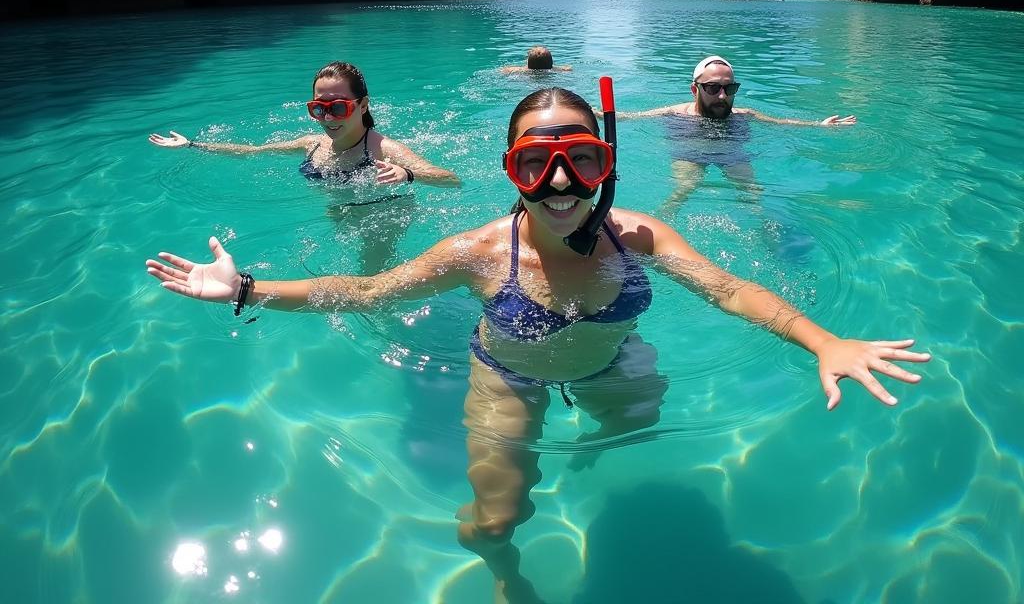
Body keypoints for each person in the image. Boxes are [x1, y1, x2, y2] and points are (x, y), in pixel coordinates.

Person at [145, 84, 928, 604]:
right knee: (496, 515)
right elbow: (366, 292)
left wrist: (823, 340)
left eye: (579, 159)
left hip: (614, 361)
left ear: (604, 166)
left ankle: (592, 445)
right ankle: (500, 570)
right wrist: (247, 289)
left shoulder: (640, 236)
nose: (560, 182)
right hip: (508, 375)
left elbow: (730, 289)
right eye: (536, 162)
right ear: (512, 172)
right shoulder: (478, 252)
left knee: (629, 425)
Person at [149, 60, 460, 188]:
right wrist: (193, 144)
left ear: (363, 105)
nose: (327, 118)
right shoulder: (311, 144)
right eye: (318, 108)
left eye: (338, 107)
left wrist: (407, 174)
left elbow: (450, 178)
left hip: (377, 217)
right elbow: (253, 151)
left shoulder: (382, 149)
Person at [620, 55, 856, 209]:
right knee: (683, 191)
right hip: (690, 150)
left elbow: (781, 122)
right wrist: (597, 114)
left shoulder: (745, 115)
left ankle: (766, 234)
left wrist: (819, 125)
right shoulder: (675, 112)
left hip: (731, 152)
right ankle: (658, 228)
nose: (722, 96)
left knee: (754, 196)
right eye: (713, 88)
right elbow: (632, 117)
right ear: (695, 89)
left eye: (729, 88)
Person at [498, 45, 572, 74]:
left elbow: (504, 70)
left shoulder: (523, 70)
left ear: (527, 62)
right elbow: (569, 69)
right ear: (552, 63)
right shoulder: (556, 69)